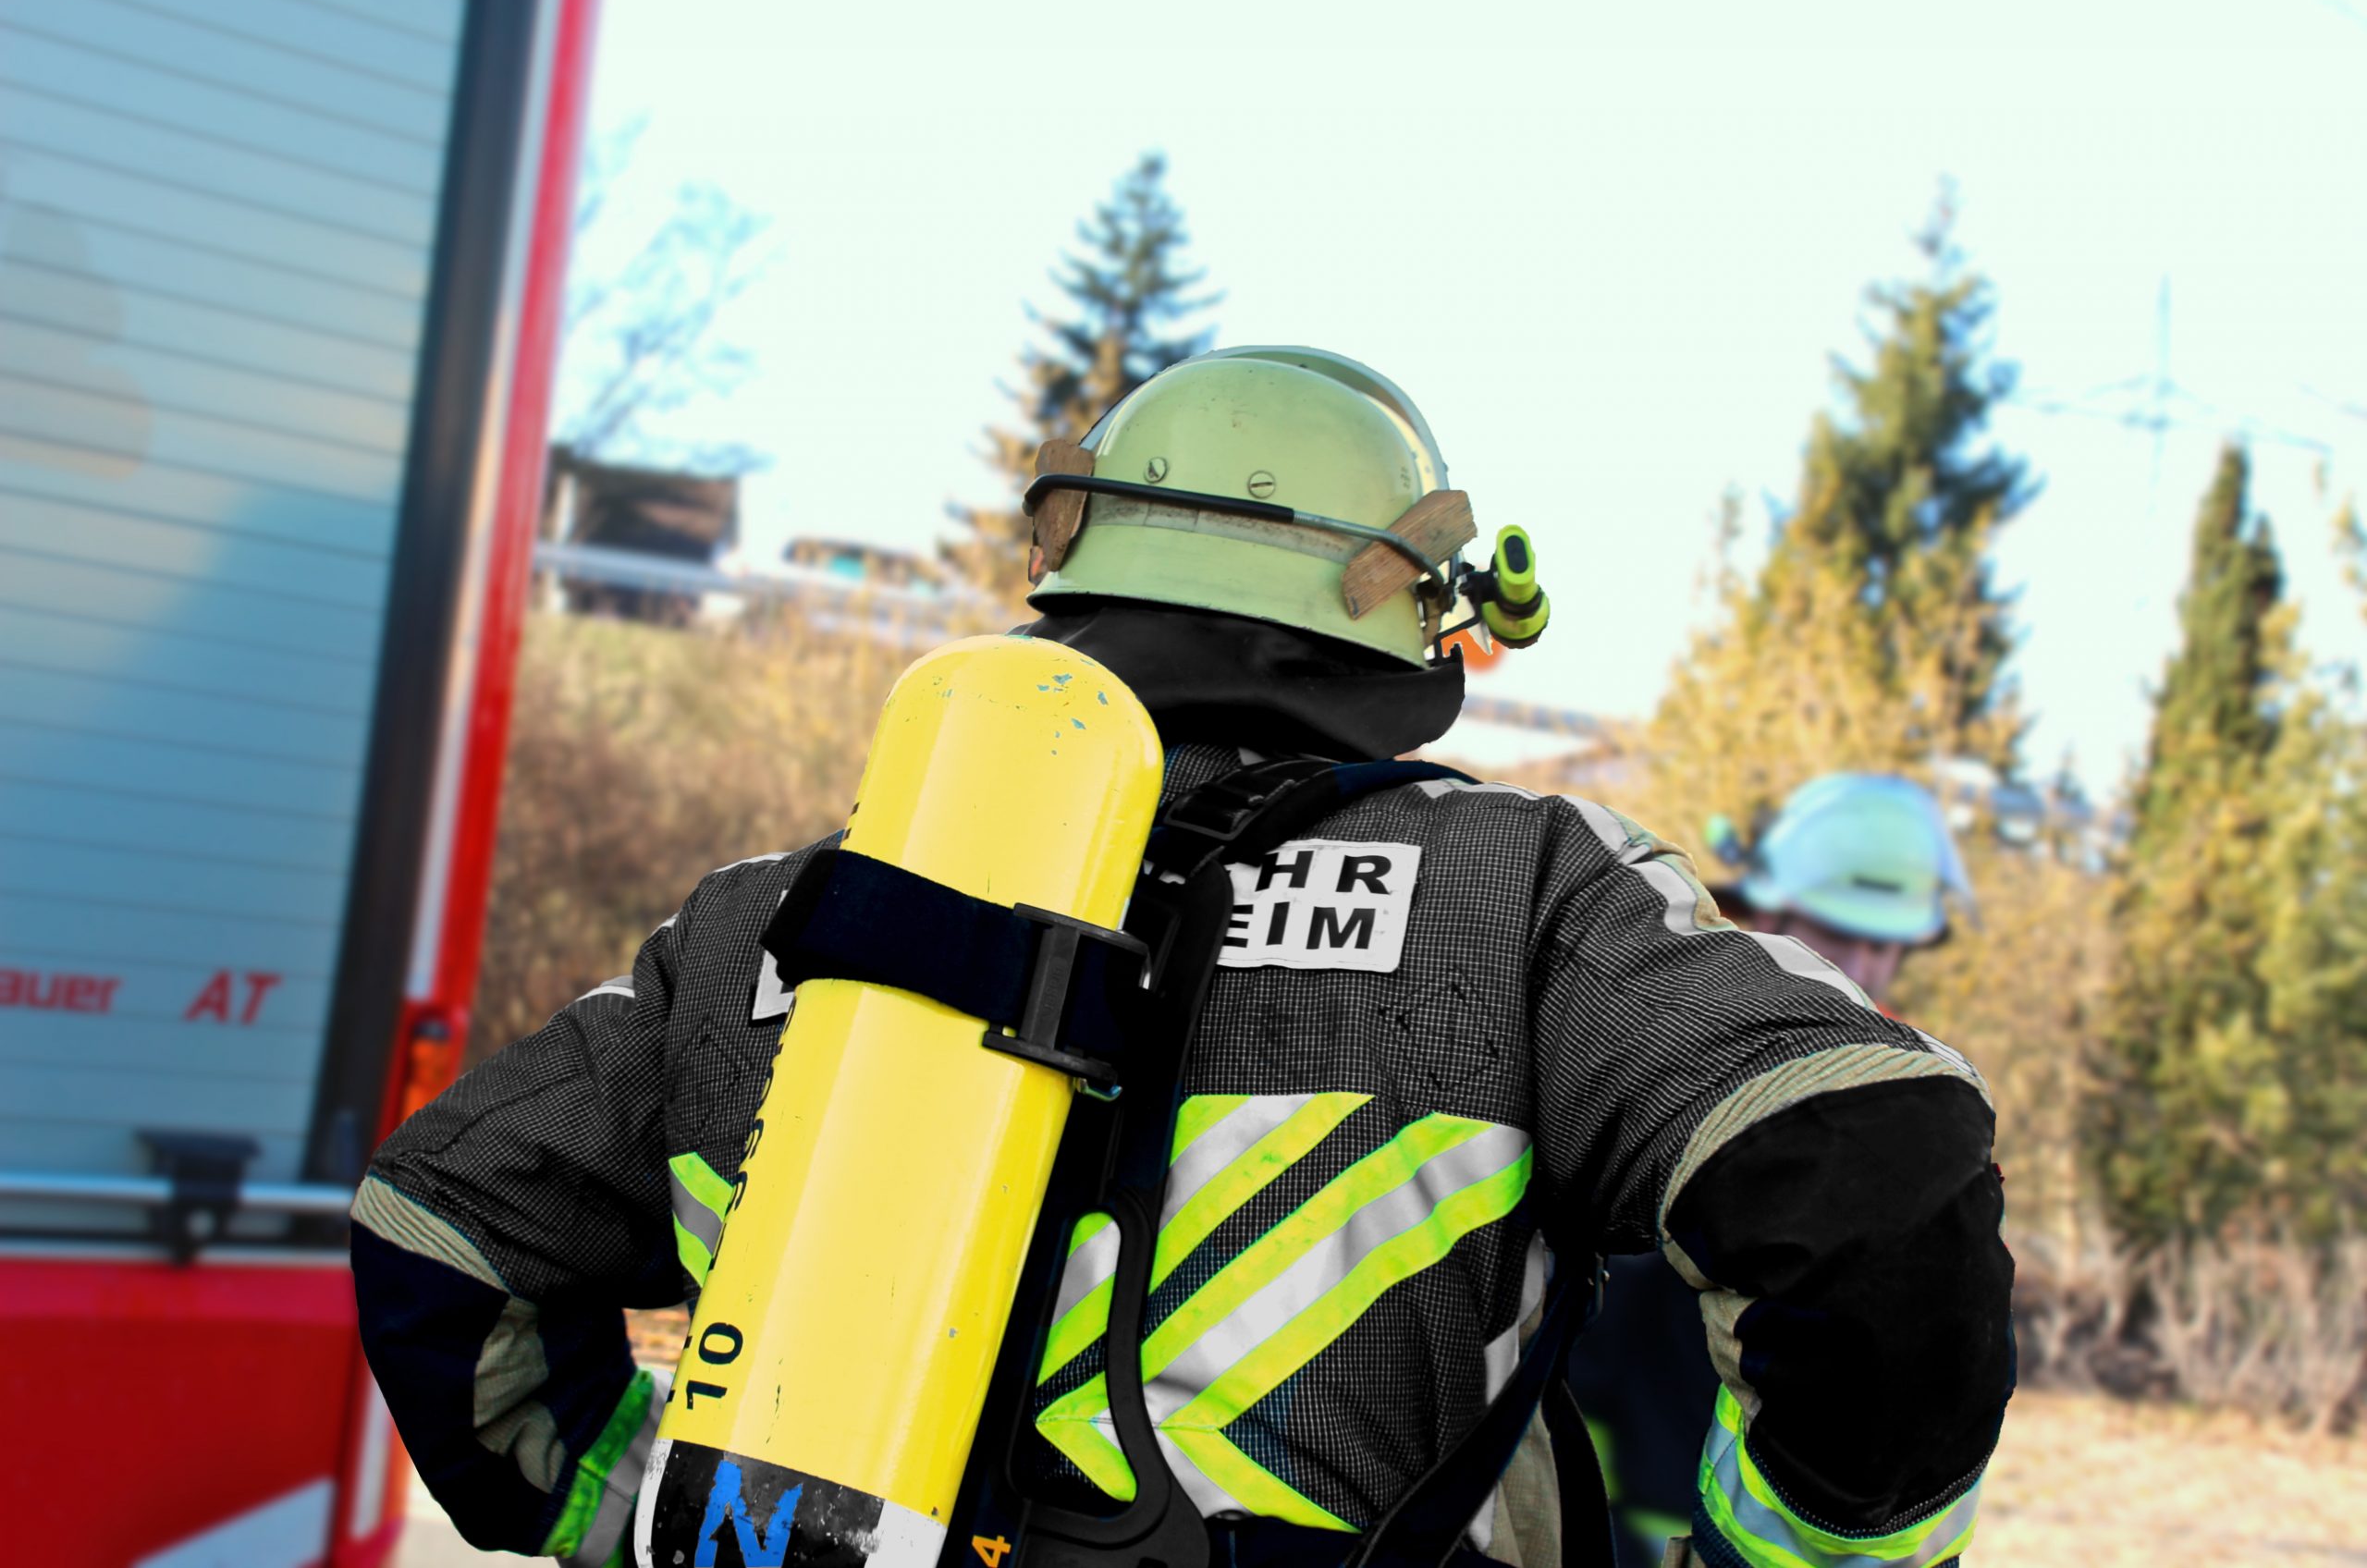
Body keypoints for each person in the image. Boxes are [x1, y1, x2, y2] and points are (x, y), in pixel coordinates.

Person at [350, 348, 2013, 1568]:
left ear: (1077, 572)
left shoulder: (774, 917)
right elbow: (1875, 1169)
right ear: (1413, 611)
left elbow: (440, 1223)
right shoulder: (1520, 895)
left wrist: (636, 1508)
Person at [1566, 774, 1977, 1565]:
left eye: (1885, 943)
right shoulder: (1655, 1053)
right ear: (1766, 915)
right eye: (1839, 932)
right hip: (1617, 1504)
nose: (1862, 966)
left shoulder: (1896, 1102)